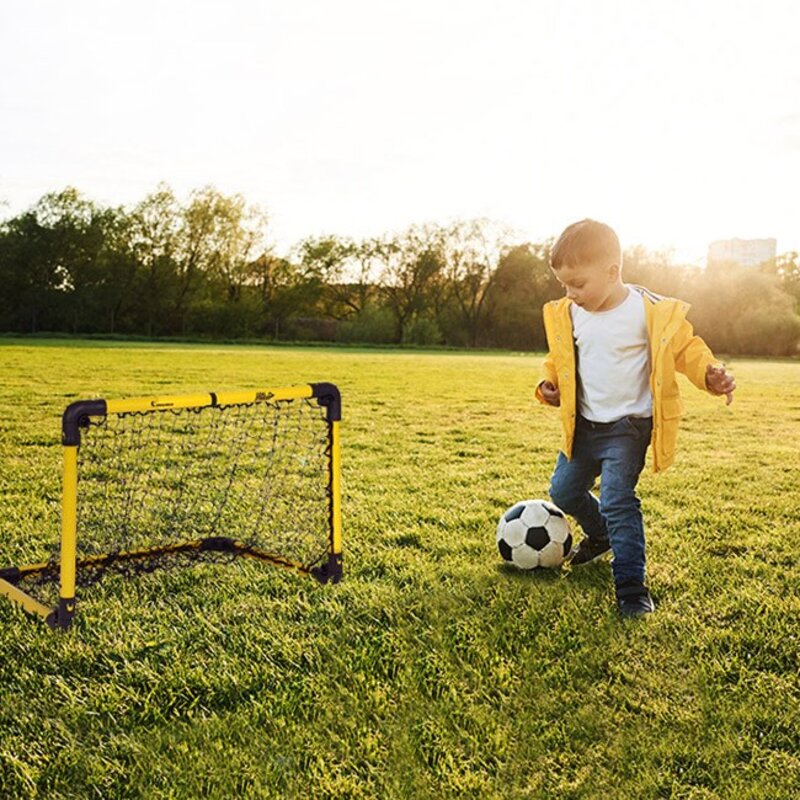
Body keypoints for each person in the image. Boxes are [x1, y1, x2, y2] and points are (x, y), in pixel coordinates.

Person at [535, 219, 736, 618]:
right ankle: (600, 533)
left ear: (612, 273)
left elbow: (687, 350)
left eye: (578, 283)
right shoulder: (569, 314)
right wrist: (548, 383)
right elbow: (559, 359)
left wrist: (709, 373)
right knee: (563, 491)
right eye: (565, 286)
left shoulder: (648, 312)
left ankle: (631, 587)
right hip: (584, 426)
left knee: (617, 500)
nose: (571, 294)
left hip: (628, 428)